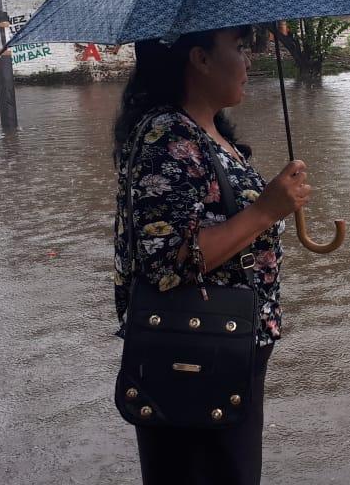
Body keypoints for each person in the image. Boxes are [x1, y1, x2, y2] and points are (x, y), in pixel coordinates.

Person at [111, 24, 311, 485]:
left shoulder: (209, 133)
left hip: (228, 345)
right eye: (238, 48)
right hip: (194, 350)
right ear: (199, 59)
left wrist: (275, 206)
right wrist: (265, 210)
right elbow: (166, 263)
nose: (248, 60)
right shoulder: (166, 136)